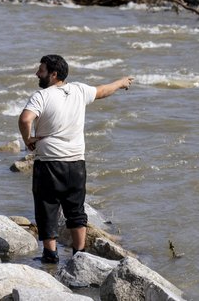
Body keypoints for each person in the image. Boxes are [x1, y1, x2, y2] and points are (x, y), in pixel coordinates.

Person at [18, 54, 133, 264]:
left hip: (49, 163)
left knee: (47, 208)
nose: (37, 73)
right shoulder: (79, 90)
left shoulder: (41, 96)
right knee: (76, 209)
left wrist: (28, 140)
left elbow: (25, 119)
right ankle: (79, 255)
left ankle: (50, 255)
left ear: (53, 75)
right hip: (76, 164)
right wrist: (121, 83)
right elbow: (102, 91)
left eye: (41, 70)